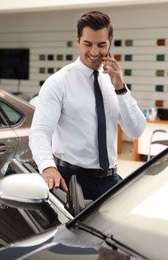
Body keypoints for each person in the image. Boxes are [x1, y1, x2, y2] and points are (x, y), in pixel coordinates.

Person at [29, 11, 146, 201]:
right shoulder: (58, 82)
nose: (94, 52)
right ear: (78, 40)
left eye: (101, 45)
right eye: (88, 44)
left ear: (109, 43)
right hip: (72, 179)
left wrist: (121, 88)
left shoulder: (112, 81)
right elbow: (40, 131)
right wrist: (47, 167)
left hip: (110, 179)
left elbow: (136, 131)